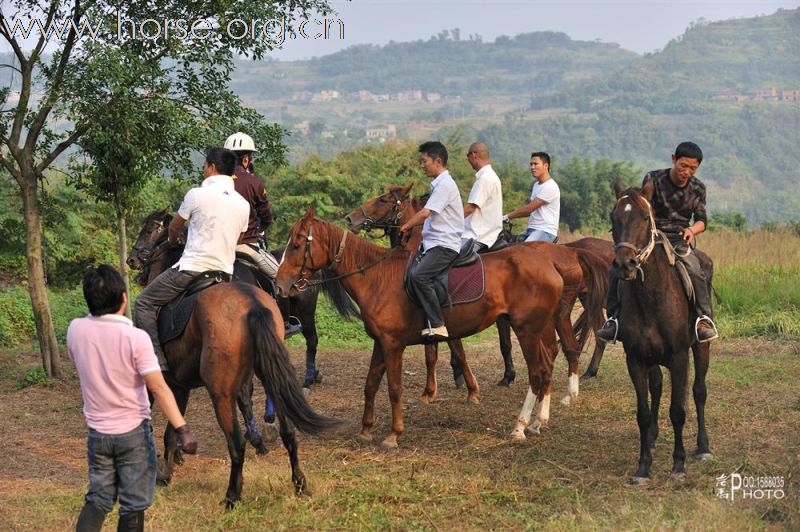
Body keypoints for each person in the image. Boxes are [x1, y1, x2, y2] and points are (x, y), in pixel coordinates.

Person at [69, 265, 198, 532]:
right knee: (133, 505)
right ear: (124, 298)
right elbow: (160, 388)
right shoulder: (136, 338)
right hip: (133, 435)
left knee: (98, 499)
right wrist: (183, 429)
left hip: (98, 434)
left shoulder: (75, 330)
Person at [134, 147, 250, 371]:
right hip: (225, 273)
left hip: (191, 269)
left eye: (205, 166)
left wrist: (176, 239)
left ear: (213, 167)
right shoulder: (243, 204)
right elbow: (239, 237)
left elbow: (175, 227)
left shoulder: (196, 194)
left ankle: (156, 360)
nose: (203, 170)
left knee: (144, 302)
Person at [596, 141, 719, 344]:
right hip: (652, 236)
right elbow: (643, 207)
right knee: (616, 269)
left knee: (696, 268)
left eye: (692, 168)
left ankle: (703, 320)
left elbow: (701, 220)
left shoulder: (698, 188)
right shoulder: (653, 178)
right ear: (674, 159)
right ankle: (613, 320)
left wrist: (691, 230)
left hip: (679, 237)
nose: (686, 172)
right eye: (683, 166)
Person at [224, 132, 301, 337]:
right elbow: (266, 216)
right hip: (246, 246)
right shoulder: (253, 183)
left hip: (217, 246)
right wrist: (260, 229)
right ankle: (285, 323)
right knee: (281, 278)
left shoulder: (216, 181)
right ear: (247, 159)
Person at [400, 141, 464, 339]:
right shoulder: (438, 184)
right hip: (433, 243)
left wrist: (406, 225)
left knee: (419, 276)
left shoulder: (445, 185)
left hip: (444, 245)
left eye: (424, 161)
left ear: (438, 161)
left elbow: (426, 212)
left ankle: (438, 323)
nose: (422, 165)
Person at [503, 151, 560, 242]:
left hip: (545, 231)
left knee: (523, 251)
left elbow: (529, 209)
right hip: (531, 230)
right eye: (531, 164)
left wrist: (507, 217)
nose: (532, 167)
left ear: (546, 166)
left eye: (535, 164)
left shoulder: (550, 186)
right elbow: (530, 212)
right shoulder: (536, 185)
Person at [463, 142, 503, 253]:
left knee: (446, 257)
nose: (468, 160)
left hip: (477, 236)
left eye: (468, 156)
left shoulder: (485, 178)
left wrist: (449, 221)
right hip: (479, 233)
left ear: (474, 155)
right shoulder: (489, 176)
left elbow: (470, 208)